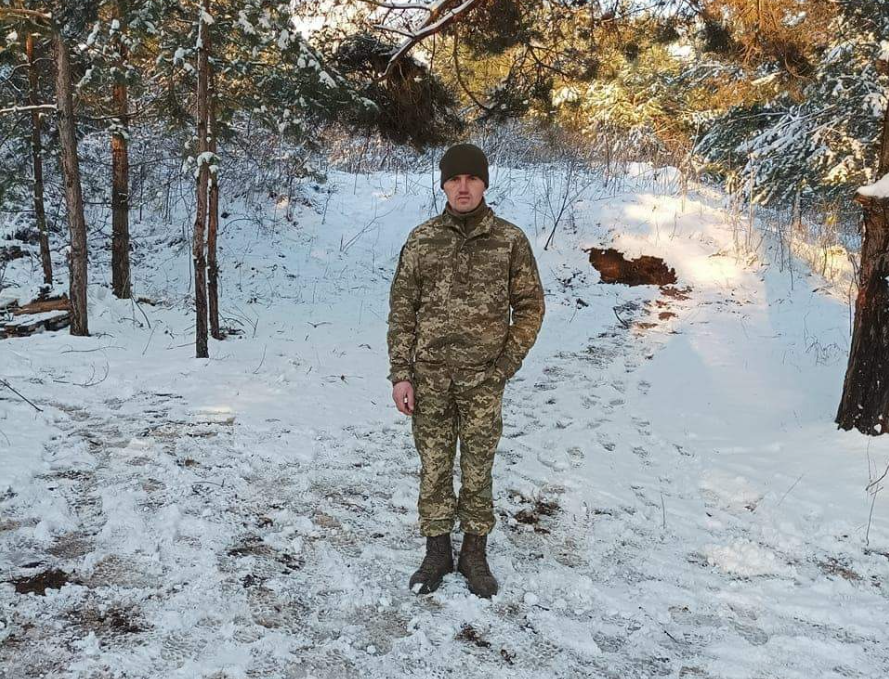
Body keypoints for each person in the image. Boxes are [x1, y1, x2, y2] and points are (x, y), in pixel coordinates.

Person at [386, 142, 545, 598]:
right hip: (430, 379)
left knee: (478, 467)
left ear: (484, 184)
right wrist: (401, 374)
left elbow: (530, 307)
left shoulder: (509, 241)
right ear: (443, 185)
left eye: (471, 178)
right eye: (454, 179)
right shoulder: (422, 240)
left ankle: (475, 552)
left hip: (482, 380)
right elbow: (403, 311)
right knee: (434, 467)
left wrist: (504, 365)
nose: (463, 187)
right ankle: (437, 550)